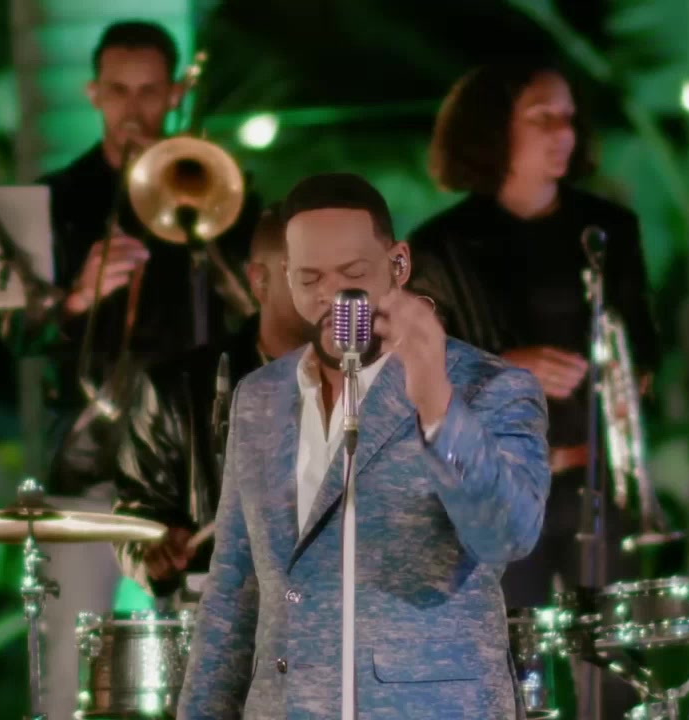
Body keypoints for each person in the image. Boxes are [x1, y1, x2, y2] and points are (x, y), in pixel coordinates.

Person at [177, 173, 550, 718]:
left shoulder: (488, 387)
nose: (332, 295)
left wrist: (436, 401)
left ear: (398, 264)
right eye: (309, 279)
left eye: (352, 274)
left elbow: (508, 535)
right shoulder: (259, 397)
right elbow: (234, 587)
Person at [407, 58, 660, 718]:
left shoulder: (607, 230)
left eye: (569, 118)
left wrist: (628, 379)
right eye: (542, 117)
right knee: (508, 677)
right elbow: (409, 376)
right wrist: (504, 367)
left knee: (615, 678)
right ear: (494, 128)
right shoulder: (440, 245)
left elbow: (644, 349)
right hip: (493, 496)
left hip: (593, 481)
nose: (563, 133)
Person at [27, 20, 258, 720]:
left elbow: (259, 313)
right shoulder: (54, 199)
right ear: (93, 93)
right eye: (119, 91)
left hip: (194, 471)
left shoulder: (217, 192)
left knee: (212, 669)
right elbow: (11, 334)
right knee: (64, 673)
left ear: (176, 93)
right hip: (89, 458)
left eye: (150, 91)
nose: (134, 109)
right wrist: (76, 297)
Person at [112, 204, 306, 607]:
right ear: (259, 280)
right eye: (309, 274)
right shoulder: (176, 388)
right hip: (222, 618)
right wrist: (155, 545)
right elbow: (136, 511)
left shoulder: (376, 383)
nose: (330, 292)